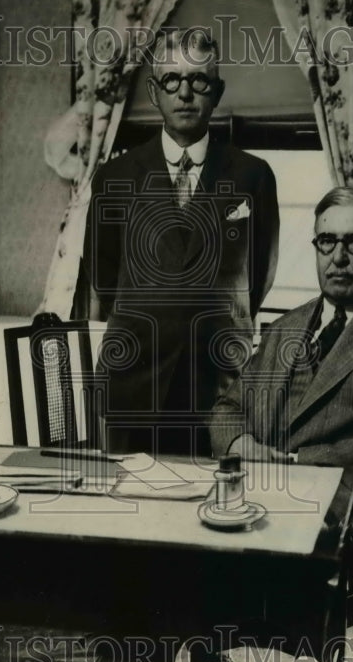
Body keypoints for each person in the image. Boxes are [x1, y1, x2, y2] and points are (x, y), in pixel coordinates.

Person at [209, 186, 353, 589]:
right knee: (184, 555)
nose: (338, 258)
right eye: (327, 241)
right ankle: (211, 651)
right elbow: (227, 408)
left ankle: (275, 651)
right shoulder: (287, 326)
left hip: (352, 519)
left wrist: (295, 466)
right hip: (266, 502)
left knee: (241, 571)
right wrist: (240, 447)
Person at [82, 28, 279, 458]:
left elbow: (258, 279)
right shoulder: (114, 178)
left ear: (218, 91)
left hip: (219, 385)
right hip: (135, 381)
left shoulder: (253, 175)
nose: (185, 93)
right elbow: (104, 277)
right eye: (171, 79)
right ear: (154, 92)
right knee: (129, 509)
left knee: (217, 510)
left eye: (199, 80)